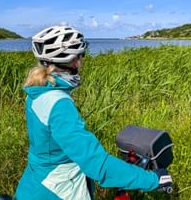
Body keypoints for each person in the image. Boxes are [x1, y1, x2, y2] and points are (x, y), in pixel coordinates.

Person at [15, 26, 172, 200]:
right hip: (57, 192)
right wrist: (153, 180)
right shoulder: (59, 104)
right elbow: (96, 163)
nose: (82, 61)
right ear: (74, 60)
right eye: (81, 56)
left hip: (33, 185)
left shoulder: (38, 91)